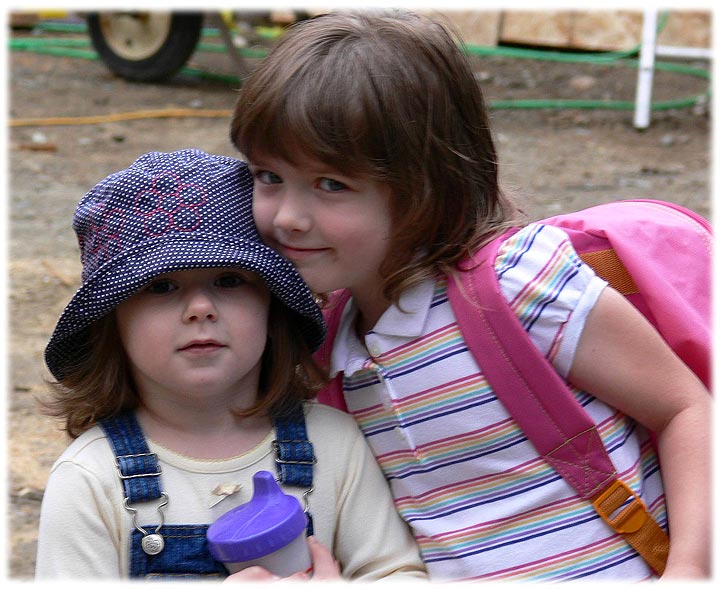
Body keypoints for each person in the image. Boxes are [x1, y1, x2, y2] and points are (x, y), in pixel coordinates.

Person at [229, 10, 711, 582]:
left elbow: (687, 409)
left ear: (426, 185)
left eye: (331, 185)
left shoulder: (514, 285)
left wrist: (692, 569)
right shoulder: (332, 346)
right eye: (267, 177)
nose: (286, 217)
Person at [35, 149, 426, 581]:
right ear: (112, 324)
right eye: (161, 286)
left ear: (272, 307)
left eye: (228, 280)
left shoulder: (335, 445)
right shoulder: (90, 478)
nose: (200, 307)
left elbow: (397, 573)